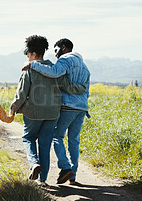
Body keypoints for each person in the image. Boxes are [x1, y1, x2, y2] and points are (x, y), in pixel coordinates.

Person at [10, 35, 86, 187]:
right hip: (53, 114)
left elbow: (21, 95)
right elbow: (68, 86)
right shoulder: (55, 68)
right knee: (44, 145)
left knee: (28, 138)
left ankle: (33, 163)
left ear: (32, 54)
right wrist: (82, 88)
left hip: (33, 113)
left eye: (28, 54)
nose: (28, 57)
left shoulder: (29, 69)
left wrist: (13, 110)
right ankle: (42, 180)